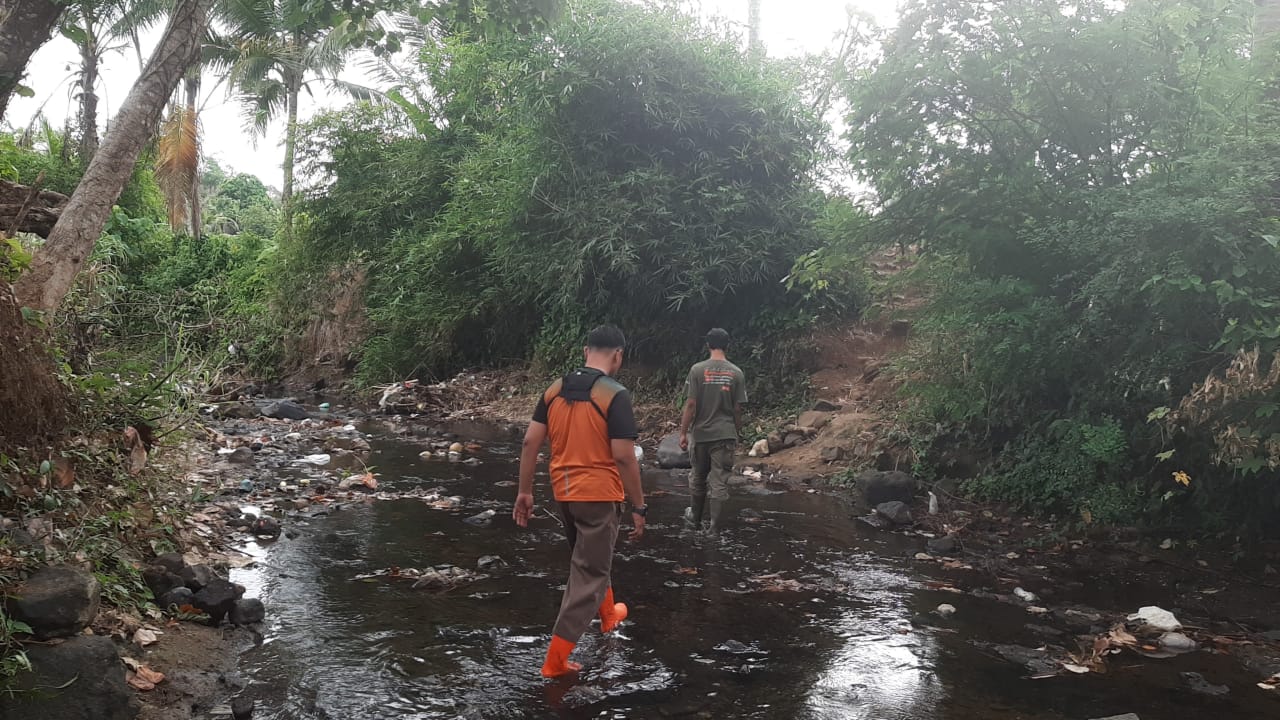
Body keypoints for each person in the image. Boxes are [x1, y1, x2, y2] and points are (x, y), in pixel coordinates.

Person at [512, 325, 647, 678]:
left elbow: (530, 443)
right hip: (600, 496)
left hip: (565, 494)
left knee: (591, 562)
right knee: (589, 573)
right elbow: (623, 457)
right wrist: (639, 505)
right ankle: (554, 662)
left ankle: (607, 617)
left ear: (586, 351)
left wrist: (525, 491)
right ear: (618, 355)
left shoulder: (555, 389)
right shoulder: (614, 395)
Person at [679, 328, 747, 536]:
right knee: (719, 482)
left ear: (708, 345)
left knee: (698, 477)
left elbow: (691, 404)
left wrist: (683, 432)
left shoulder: (697, 370)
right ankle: (714, 529)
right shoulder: (736, 372)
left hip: (700, 434)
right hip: (724, 434)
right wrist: (736, 432)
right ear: (728, 346)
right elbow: (737, 409)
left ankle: (695, 523)